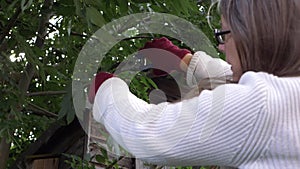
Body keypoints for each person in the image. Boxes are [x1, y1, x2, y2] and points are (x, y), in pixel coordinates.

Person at [89, 0, 300, 168]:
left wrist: (106, 88)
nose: (221, 46)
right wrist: (184, 60)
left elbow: (145, 130)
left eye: (225, 35)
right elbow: (237, 79)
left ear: (254, 37)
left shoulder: (262, 108)